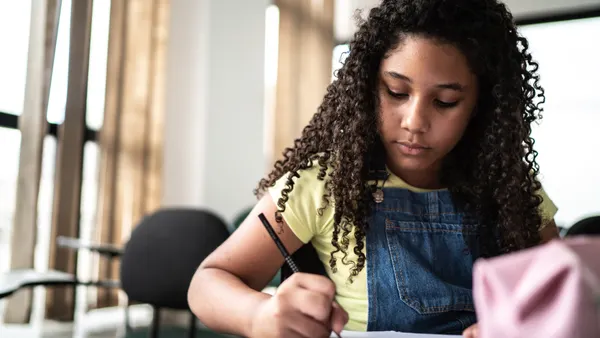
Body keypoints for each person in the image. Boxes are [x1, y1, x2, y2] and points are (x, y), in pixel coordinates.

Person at [187, 0, 560, 337]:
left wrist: (529, 323)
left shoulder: (512, 188)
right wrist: (259, 315)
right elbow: (208, 283)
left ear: (481, 106)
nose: (415, 121)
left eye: (446, 101)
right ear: (368, 87)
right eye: (396, 92)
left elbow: (564, 295)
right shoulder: (324, 183)